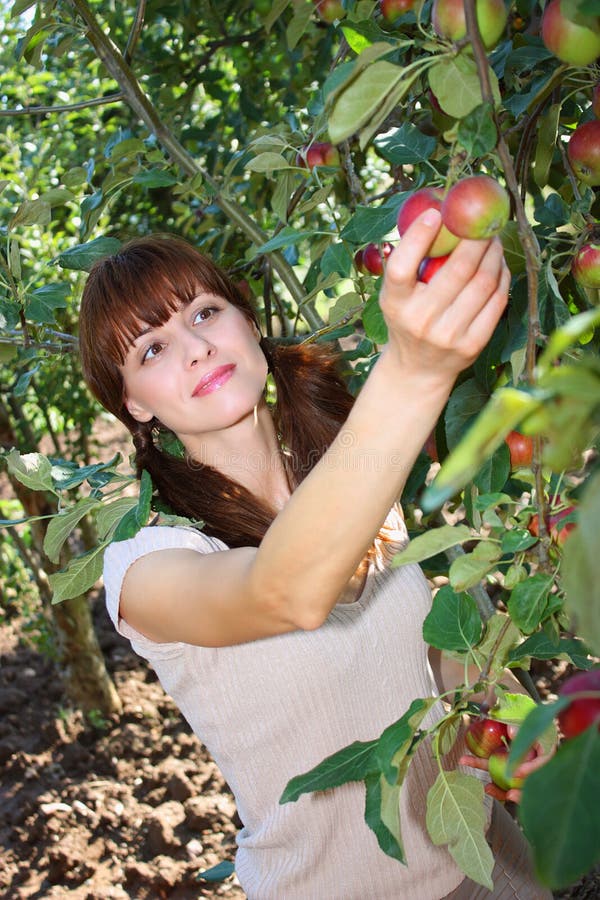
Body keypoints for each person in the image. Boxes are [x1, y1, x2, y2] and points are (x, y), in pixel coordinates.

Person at [78, 212, 551, 899]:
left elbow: (434, 642)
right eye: (151, 349)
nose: (195, 349)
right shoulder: (145, 564)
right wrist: (414, 370)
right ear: (134, 405)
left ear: (246, 319)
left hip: (486, 861)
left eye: (206, 312)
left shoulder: (343, 481)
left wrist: (499, 708)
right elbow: (285, 592)